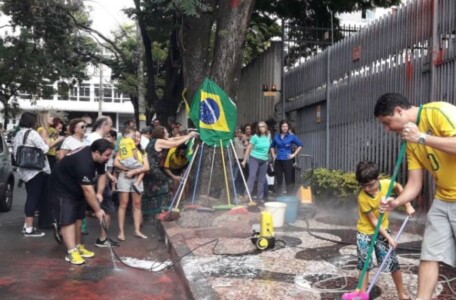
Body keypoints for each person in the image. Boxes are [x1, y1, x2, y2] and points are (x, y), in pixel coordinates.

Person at [376, 93, 456, 300]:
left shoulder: (438, 112)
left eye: (387, 122)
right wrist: (397, 202)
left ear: (399, 111)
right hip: (443, 198)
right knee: (429, 254)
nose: (387, 129)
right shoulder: (409, 141)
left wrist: (422, 137)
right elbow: (414, 183)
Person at [355, 161, 414, 298]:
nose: (367, 188)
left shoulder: (387, 184)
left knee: (392, 263)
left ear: (378, 178)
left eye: (370, 184)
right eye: (363, 185)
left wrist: (407, 205)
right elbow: (374, 221)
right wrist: (390, 239)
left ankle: (401, 293)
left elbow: (399, 187)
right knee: (364, 265)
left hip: (383, 231)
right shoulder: (362, 197)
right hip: (365, 233)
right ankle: (362, 295)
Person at [49, 139, 113, 265]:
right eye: (106, 155)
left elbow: (102, 175)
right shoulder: (83, 163)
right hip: (62, 188)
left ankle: (77, 246)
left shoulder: (98, 157)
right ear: (96, 152)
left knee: (79, 218)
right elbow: (88, 190)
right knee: (68, 220)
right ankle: (71, 252)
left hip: (76, 186)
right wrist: (98, 210)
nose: (108, 158)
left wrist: (99, 193)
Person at [142, 126, 198, 216]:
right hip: (153, 170)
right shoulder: (159, 141)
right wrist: (188, 136)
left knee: (153, 191)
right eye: (166, 132)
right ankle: (164, 210)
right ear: (161, 134)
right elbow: (174, 144)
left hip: (150, 170)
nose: (168, 133)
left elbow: (174, 138)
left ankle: (155, 212)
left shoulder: (155, 140)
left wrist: (190, 135)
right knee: (168, 184)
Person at [83, 116, 118, 248]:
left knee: (89, 207)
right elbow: (97, 162)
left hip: (96, 176)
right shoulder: (96, 140)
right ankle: (103, 238)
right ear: (104, 126)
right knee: (107, 209)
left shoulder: (90, 138)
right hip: (95, 177)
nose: (111, 129)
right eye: (110, 125)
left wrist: (107, 174)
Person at [13, 112, 50, 236]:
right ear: (32, 122)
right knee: (33, 198)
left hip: (24, 170)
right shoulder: (33, 134)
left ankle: (26, 226)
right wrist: (46, 142)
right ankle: (29, 228)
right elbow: (44, 149)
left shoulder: (19, 133)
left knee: (30, 196)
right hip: (35, 170)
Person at [114, 130, 150, 240]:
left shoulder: (142, 152)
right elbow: (116, 163)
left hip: (136, 178)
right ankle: (121, 232)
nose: (136, 138)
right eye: (134, 136)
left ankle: (137, 231)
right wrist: (128, 170)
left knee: (137, 204)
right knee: (123, 204)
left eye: (139, 137)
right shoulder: (124, 149)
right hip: (124, 177)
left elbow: (147, 167)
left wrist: (133, 172)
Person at [270, 120, 303, 194]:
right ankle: (278, 197)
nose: (285, 128)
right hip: (278, 160)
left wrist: (294, 154)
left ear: (288, 127)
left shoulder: (292, 137)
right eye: (283, 126)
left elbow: (300, 145)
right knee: (279, 180)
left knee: (288, 179)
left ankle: (289, 197)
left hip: (287, 160)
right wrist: (273, 155)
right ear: (280, 127)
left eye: (286, 126)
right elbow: (272, 146)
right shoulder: (276, 137)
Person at [241, 121, 271, 202]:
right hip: (254, 158)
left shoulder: (268, 136)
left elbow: (268, 148)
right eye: (260, 127)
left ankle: (259, 198)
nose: (261, 128)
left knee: (261, 180)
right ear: (258, 128)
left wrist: (269, 159)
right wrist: (244, 160)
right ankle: (246, 195)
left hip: (264, 160)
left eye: (263, 126)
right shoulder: (255, 137)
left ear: (266, 127)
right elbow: (248, 148)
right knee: (252, 176)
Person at [117, 126, 144, 194]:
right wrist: (137, 159)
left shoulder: (121, 141)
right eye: (133, 135)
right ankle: (137, 183)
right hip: (130, 161)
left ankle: (136, 183)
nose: (134, 137)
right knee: (142, 167)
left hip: (123, 160)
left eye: (138, 136)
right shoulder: (130, 141)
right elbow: (134, 151)